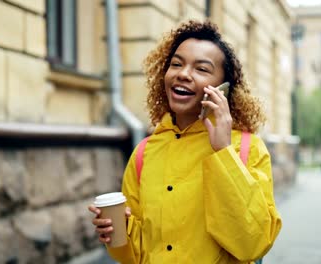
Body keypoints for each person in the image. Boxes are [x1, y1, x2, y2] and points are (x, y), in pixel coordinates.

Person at [89, 20, 282, 263]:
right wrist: (119, 230)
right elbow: (136, 255)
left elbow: (252, 243)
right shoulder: (144, 153)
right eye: (176, 64)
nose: (183, 74)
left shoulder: (247, 148)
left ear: (222, 88)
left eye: (202, 69)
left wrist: (223, 151)